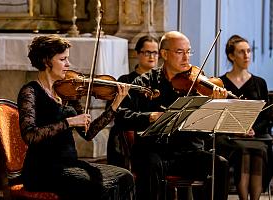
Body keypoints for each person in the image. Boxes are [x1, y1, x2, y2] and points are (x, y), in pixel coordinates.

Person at [17, 34, 135, 200]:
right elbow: (30, 135)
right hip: (43, 170)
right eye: (63, 59)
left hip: (71, 165)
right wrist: (69, 122)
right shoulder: (30, 92)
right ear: (46, 61)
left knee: (125, 177)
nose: (68, 64)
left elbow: (89, 133)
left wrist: (115, 105)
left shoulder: (68, 92)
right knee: (97, 185)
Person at [115, 31, 230, 200]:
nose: (186, 58)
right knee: (150, 165)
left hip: (187, 152)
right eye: (180, 52)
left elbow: (206, 131)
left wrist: (215, 105)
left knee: (219, 164)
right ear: (164, 54)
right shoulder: (144, 82)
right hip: (152, 150)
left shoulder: (197, 84)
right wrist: (150, 117)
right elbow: (122, 116)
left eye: (188, 51)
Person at [216, 34, 273, 200]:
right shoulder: (220, 83)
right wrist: (237, 130)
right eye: (241, 52)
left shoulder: (259, 82)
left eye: (248, 51)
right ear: (231, 56)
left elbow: (265, 116)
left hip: (255, 135)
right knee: (243, 151)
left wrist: (252, 129)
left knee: (260, 150)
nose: (247, 55)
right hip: (229, 137)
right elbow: (218, 114)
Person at [107, 35, 159, 168]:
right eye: (147, 52)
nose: (152, 57)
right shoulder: (126, 80)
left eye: (155, 53)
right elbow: (115, 111)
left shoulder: (159, 81)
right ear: (137, 53)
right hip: (132, 133)